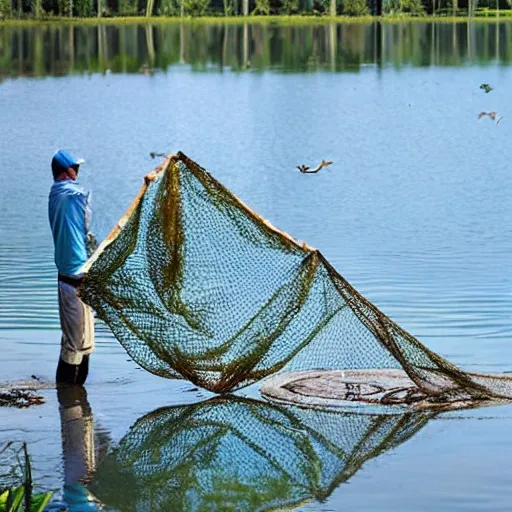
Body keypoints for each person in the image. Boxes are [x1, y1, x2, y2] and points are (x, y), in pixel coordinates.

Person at [49, 150, 96, 385]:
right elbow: (81, 196)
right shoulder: (64, 193)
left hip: (79, 280)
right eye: (74, 168)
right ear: (65, 171)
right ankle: (67, 400)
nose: (77, 172)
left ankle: (76, 403)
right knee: (73, 347)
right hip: (71, 282)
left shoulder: (64, 195)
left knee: (84, 346)